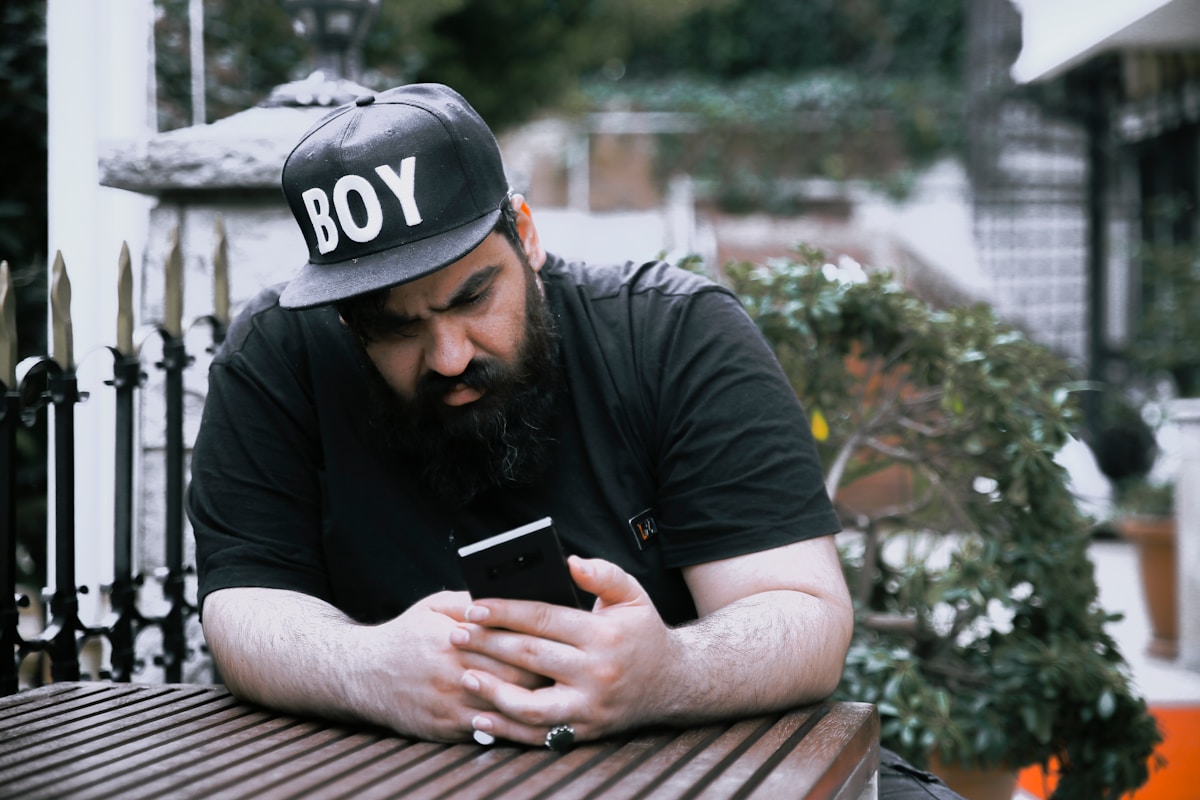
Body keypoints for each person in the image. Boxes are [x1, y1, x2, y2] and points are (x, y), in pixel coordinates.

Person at [187, 83, 963, 798]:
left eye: (472, 296)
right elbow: (244, 605)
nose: (449, 357)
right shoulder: (280, 355)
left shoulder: (673, 333)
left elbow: (803, 612)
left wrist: (665, 672)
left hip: (716, 771)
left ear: (525, 234)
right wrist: (367, 668)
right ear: (344, 315)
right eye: (394, 327)